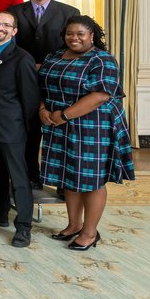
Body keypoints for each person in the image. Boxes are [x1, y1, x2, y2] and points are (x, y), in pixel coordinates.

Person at [38, 15, 135, 251]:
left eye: (80, 33)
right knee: (69, 175)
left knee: (91, 179)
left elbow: (101, 95)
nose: (74, 38)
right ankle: (74, 225)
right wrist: (43, 109)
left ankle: (90, 233)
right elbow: (42, 84)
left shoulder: (102, 59)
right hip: (58, 123)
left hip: (92, 126)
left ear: (92, 35)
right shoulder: (55, 56)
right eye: (70, 33)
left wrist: (64, 115)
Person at [8, 0, 80, 184]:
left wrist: (48, 65)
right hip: (23, 78)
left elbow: (73, 45)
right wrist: (29, 65)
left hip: (57, 78)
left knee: (59, 128)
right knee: (29, 128)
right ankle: (31, 174)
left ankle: (62, 180)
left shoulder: (69, 12)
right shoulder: (15, 11)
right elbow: (10, 43)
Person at [0, 11, 39, 248]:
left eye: (6, 25)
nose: (0, 28)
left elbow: (30, 99)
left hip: (12, 129)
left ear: (14, 31)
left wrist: (29, 131)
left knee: (19, 179)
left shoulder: (22, 58)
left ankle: (24, 227)